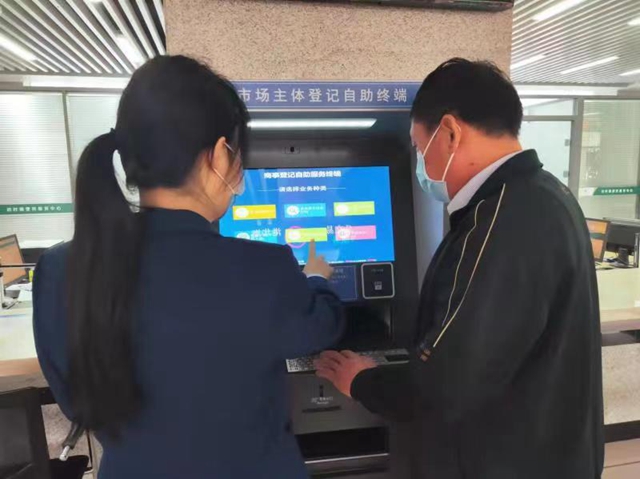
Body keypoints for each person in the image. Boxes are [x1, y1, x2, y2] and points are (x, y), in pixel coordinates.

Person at [33, 56, 344, 479]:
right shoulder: (264, 267)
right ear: (219, 155)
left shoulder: (59, 272)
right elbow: (319, 329)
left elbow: (76, 402)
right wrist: (316, 279)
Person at [315, 58, 604, 479]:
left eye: (418, 147)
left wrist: (361, 380)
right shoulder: (545, 195)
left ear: (450, 133)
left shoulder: (501, 221)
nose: (420, 163)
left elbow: (445, 385)